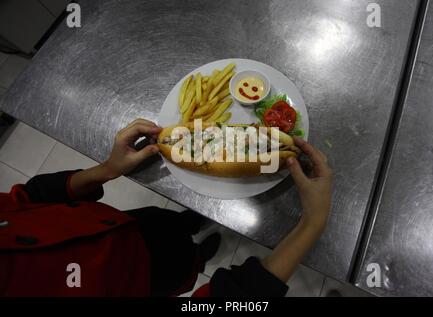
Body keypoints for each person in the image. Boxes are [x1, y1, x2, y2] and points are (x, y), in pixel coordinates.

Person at [0, 119, 332, 297]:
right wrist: (312, 223)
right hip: (151, 280)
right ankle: (200, 258)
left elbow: (31, 198)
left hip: (128, 223)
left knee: (169, 222)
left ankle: (186, 225)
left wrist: (107, 169)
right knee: (187, 265)